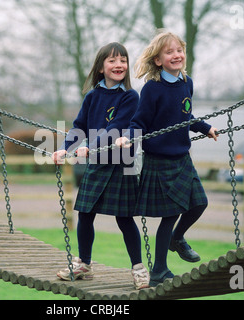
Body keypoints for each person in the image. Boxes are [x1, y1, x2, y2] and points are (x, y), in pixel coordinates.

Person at [116, 30, 218, 287]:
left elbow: (185, 116)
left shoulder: (187, 83)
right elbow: (138, 120)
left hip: (182, 157)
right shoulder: (152, 89)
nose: (176, 55)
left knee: (199, 204)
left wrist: (205, 128)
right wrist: (128, 136)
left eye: (179, 50)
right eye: (169, 52)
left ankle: (177, 238)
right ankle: (159, 270)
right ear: (158, 60)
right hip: (159, 160)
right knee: (170, 214)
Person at [53, 42, 149, 290]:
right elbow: (79, 126)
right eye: (112, 60)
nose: (119, 65)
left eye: (123, 60)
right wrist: (66, 147)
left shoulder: (130, 96)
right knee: (85, 213)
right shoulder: (92, 96)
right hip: (97, 164)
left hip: (121, 162)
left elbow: (116, 126)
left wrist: (91, 146)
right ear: (100, 67)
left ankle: (138, 269)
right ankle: (84, 264)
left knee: (124, 218)